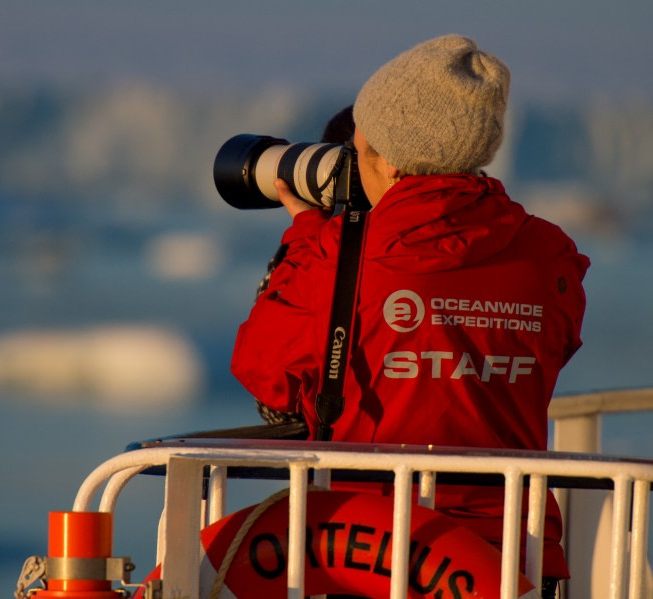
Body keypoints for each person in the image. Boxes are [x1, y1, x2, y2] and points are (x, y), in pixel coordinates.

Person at [230, 34, 589, 596]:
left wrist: (308, 237)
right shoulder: (551, 254)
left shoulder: (343, 254)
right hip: (518, 553)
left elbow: (263, 371)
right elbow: (551, 349)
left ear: (381, 151)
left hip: (374, 552)